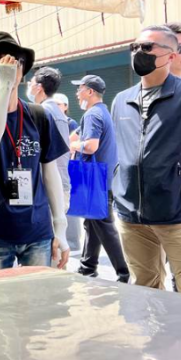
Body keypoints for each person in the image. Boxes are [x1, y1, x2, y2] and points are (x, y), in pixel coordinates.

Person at [0, 32, 70, 274]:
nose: (9, 67)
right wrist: (4, 86)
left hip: (37, 231)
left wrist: (60, 227)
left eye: (15, 62)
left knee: (36, 296)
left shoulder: (39, 115)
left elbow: (50, 171)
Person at [111, 25, 181, 296]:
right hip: (131, 214)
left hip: (177, 212)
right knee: (143, 288)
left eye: (147, 47)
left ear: (171, 56)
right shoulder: (121, 100)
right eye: (135, 47)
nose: (138, 52)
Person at [69, 75, 130, 283]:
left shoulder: (92, 114)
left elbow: (91, 146)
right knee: (92, 223)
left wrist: (74, 146)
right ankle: (87, 267)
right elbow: (75, 135)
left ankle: (124, 273)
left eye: (80, 89)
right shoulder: (102, 112)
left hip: (95, 181)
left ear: (90, 92)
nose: (77, 94)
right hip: (103, 179)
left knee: (104, 226)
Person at [27, 67, 81, 253]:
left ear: (39, 87)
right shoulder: (57, 112)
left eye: (31, 82)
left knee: (50, 247)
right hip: (60, 183)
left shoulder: (42, 111)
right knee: (54, 244)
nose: (29, 86)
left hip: (49, 186)